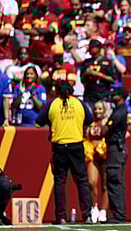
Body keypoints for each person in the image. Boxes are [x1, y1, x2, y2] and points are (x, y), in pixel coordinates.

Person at [35, 80, 93, 224]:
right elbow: (90, 120)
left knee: (60, 182)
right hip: (77, 145)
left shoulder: (52, 104)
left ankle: (61, 217)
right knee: (81, 181)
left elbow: (38, 123)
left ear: (56, 90)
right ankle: (87, 215)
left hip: (60, 147)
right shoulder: (79, 103)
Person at [101, 87, 129, 224]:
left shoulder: (119, 111)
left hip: (116, 148)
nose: (112, 95)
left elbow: (104, 130)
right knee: (115, 181)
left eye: (115, 94)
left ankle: (119, 214)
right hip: (117, 148)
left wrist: (104, 125)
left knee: (114, 180)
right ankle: (118, 213)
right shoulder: (120, 110)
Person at [83, 101, 109, 223]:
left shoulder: (108, 121)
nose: (97, 111)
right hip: (92, 155)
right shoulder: (89, 123)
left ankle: (103, 211)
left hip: (104, 156)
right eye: (95, 109)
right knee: (91, 183)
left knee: (105, 185)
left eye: (100, 109)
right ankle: (94, 208)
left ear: (104, 110)